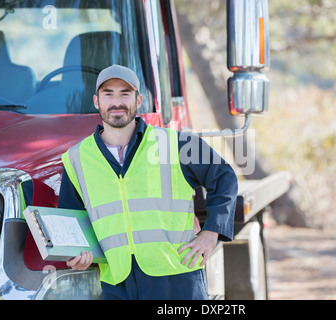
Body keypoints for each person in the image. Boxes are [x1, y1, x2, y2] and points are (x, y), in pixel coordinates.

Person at [58, 65, 238, 300]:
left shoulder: (176, 143)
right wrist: (76, 254)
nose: (117, 102)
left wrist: (211, 232)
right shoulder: (76, 158)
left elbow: (224, 176)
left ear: (138, 99)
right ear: (96, 101)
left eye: (125, 93)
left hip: (176, 276)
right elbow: (71, 219)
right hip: (117, 282)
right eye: (108, 94)